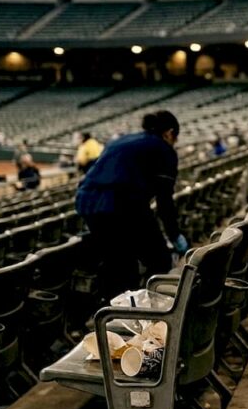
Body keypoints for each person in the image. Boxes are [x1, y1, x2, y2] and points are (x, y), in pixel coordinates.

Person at [75, 110, 189, 301]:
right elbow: (164, 201)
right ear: (170, 133)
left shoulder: (122, 140)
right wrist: (175, 235)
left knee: (118, 260)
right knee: (159, 259)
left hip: (88, 203)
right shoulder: (164, 149)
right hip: (122, 203)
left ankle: (112, 306)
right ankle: (149, 308)